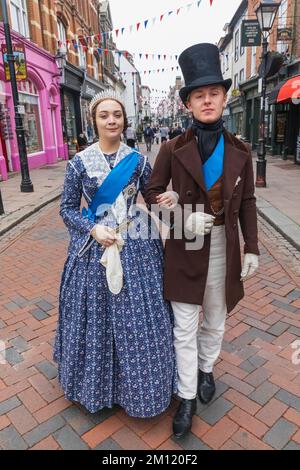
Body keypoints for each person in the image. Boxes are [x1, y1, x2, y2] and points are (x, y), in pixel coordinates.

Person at [146, 43, 259, 437]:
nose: (207, 100)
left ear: (224, 98)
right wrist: (179, 218)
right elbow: (151, 193)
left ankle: (207, 369)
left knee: (215, 320)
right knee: (183, 327)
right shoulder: (170, 148)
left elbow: (247, 202)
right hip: (184, 250)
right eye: (199, 95)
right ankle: (187, 394)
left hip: (223, 251)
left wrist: (254, 248)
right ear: (188, 104)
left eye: (213, 93)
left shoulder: (242, 150)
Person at [54, 91, 176, 418]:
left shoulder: (137, 161)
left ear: (124, 120)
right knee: (95, 315)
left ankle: (140, 389)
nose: (112, 120)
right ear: (93, 121)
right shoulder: (78, 163)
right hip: (95, 247)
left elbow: (151, 196)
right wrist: (92, 229)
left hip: (135, 244)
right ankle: (97, 386)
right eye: (104, 115)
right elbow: (67, 209)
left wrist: (168, 202)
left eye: (117, 115)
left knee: (139, 316)